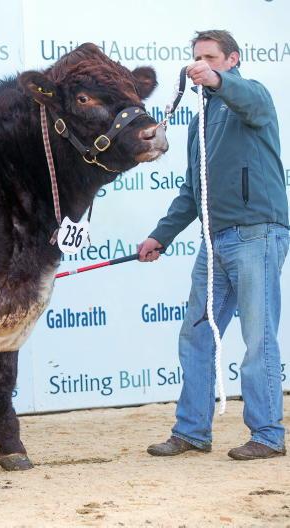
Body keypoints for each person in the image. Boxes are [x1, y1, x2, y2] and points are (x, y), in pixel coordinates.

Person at [138, 30, 289, 460]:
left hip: (257, 233)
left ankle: (267, 435)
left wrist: (219, 82)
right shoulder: (198, 122)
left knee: (258, 338)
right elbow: (193, 190)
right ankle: (192, 431)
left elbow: (245, 98)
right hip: (214, 240)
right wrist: (161, 235)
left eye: (210, 57)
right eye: (196, 58)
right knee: (196, 334)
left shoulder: (252, 95)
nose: (199, 65)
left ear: (232, 59)